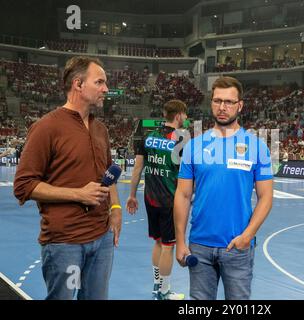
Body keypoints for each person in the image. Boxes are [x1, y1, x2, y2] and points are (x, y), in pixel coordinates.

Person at [13, 56, 122, 300]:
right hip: (65, 242)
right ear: (78, 84)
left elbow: (109, 171)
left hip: (102, 238)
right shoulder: (46, 128)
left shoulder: (100, 129)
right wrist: (78, 194)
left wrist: (115, 208)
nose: (106, 89)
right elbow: (23, 186)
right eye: (100, 82)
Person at [174, 76, 273, 300]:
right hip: (199, 245)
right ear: (211, 103)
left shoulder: (257, 146)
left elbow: (266, 197)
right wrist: (180, 241)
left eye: (229, 102)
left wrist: (247, 236)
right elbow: (182, 194)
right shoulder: (193, 145)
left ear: (240, 105)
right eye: (217, 100)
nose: (222, 107)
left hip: (237, 245)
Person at [126, 99, 187, 300]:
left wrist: (132, 195)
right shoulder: (181, 139)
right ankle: (164, 291)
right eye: (184, 115)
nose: (186, 119)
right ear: (178, 115)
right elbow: (184, 175)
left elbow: (137, 169)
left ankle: (156, 284)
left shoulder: (148, 137)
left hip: (149, 198)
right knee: (169, 246)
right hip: (170, 201)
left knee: (159, 243)